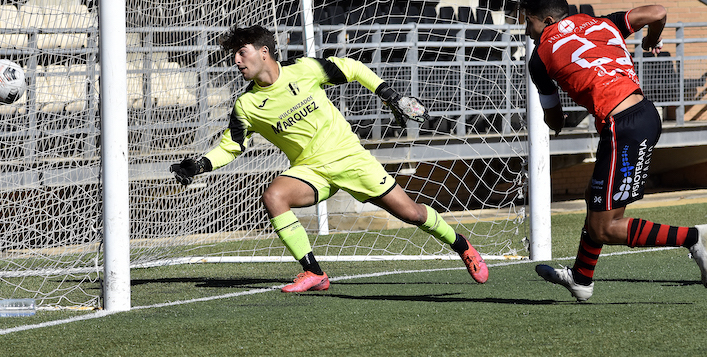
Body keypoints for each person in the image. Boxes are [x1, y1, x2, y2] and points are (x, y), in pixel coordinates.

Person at [171, 25, 488, 292]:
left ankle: (464, 247)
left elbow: (351, 67)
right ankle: (314, 272)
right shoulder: (246, 105)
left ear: (263, 52)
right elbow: (231, 146)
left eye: (242, 53)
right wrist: (199, 165)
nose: (236, 61)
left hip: (350, 159)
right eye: (235, 56)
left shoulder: (304, 70)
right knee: (273, 196)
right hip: (310, 171)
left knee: (412, 215)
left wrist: (392, 96)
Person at [522, 0, 707, 302]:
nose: (527, 32)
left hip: (622, 127)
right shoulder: (601, 22)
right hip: (644, 114)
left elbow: (555, 121)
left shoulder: (539, 57)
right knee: (594, 198)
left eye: (529, 24)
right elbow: (657, 11)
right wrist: (652, 39)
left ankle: (695, 237)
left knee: (606, 228)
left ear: (546, 21)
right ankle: (581, 279)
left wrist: (565, 114)